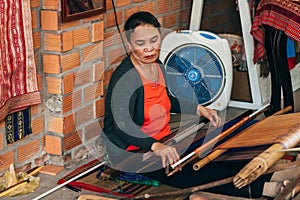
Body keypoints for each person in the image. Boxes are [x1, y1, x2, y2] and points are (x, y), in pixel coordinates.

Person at [102, 11, 271, 198]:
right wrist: (156, 146)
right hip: (135, 151)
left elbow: (168, 100)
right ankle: (266, 189)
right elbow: (122, 125)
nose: (149, 49)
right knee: (197, 172)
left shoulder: (157, 65)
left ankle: (271, 177)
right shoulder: (125, 79)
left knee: (222, 153)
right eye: (140, 44)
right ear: (129, 45)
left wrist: (200, 109)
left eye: (154, 40)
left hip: (165, 139)